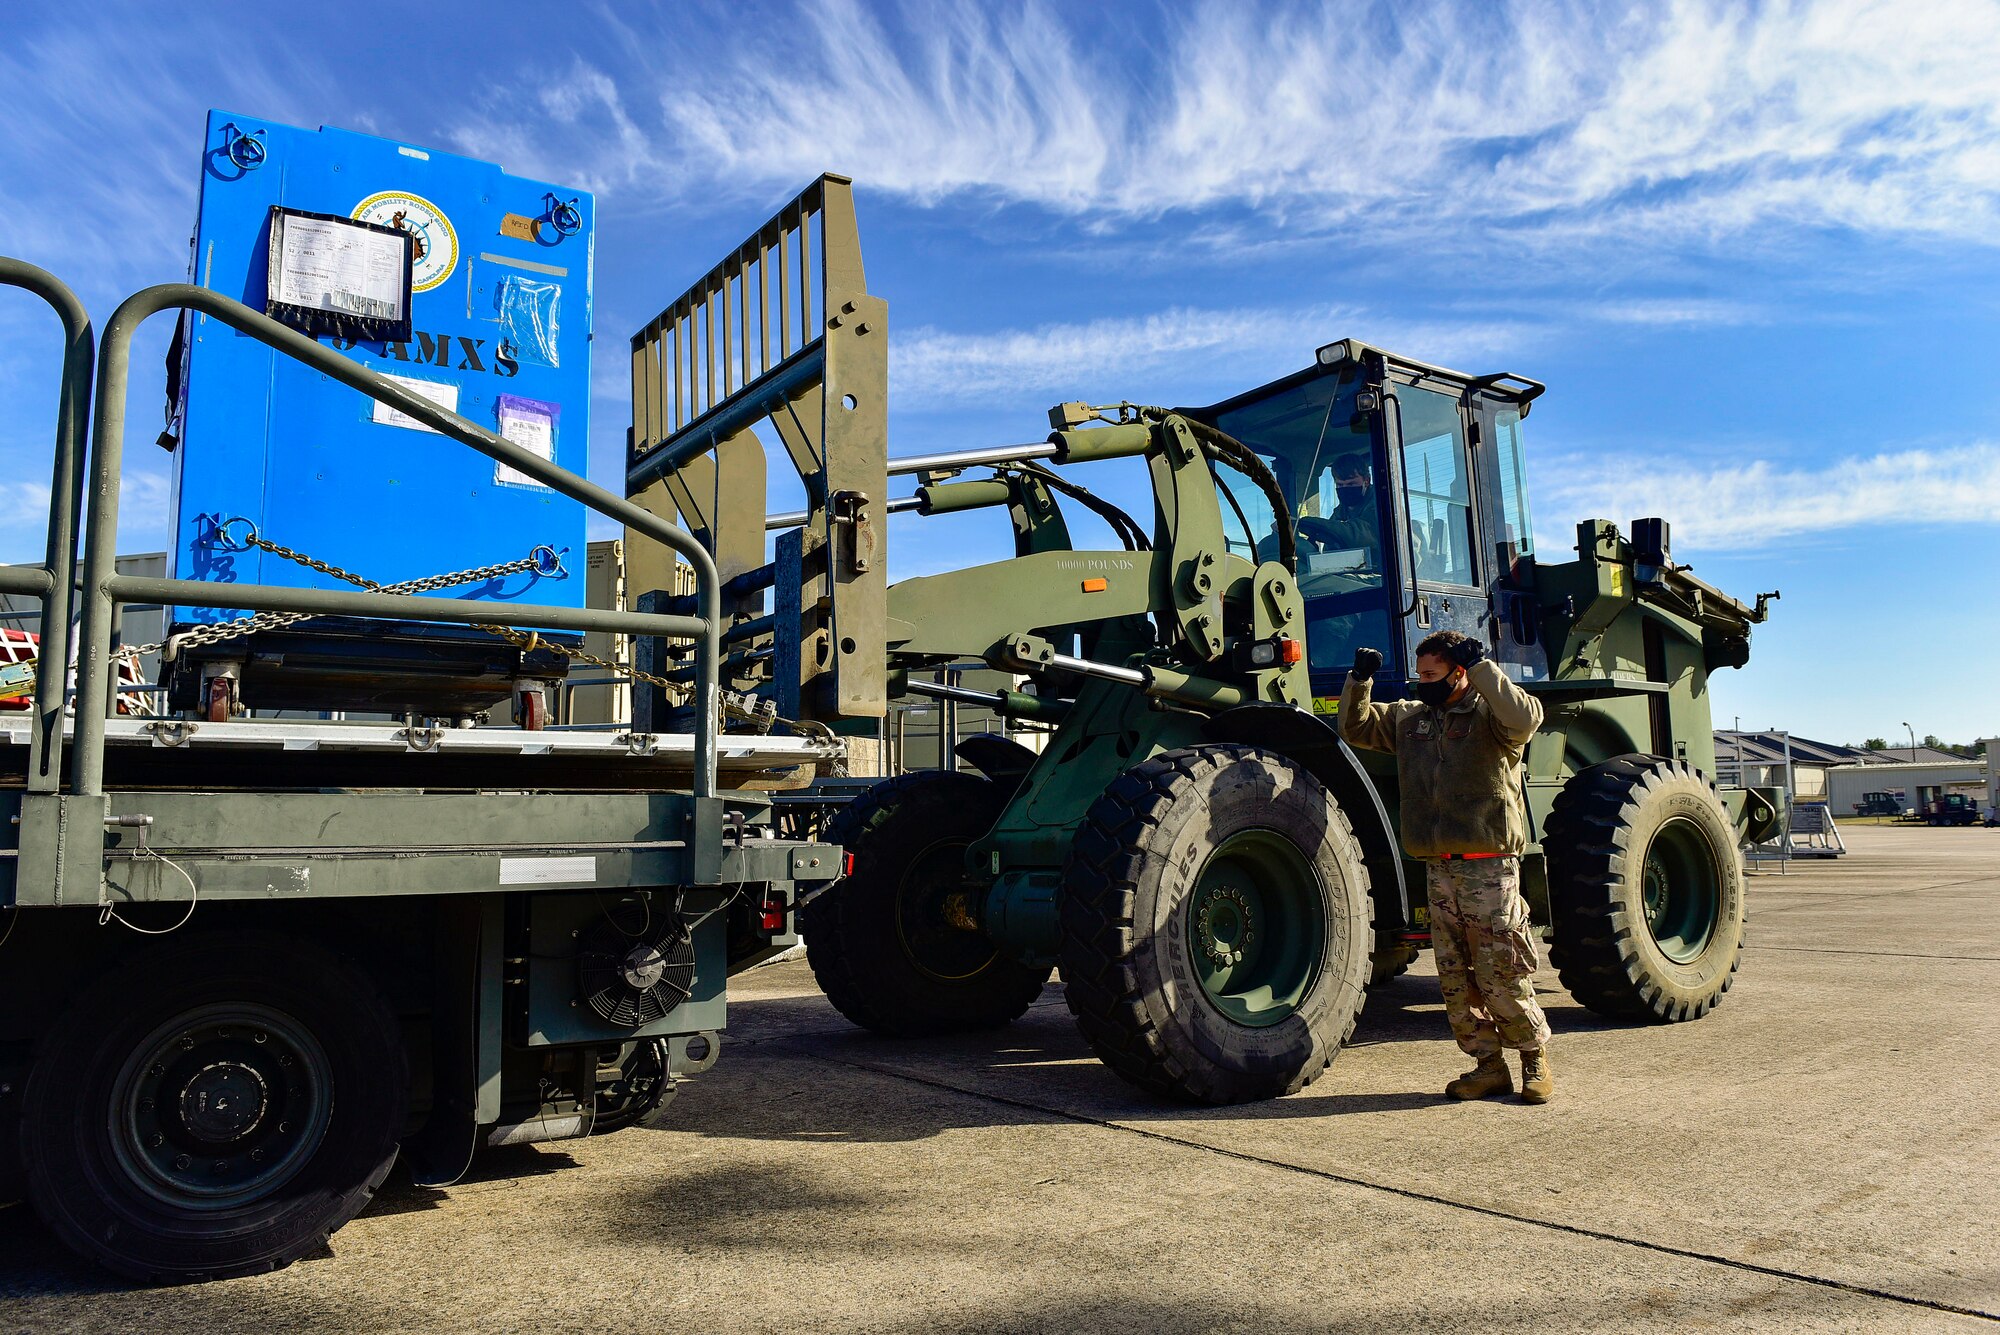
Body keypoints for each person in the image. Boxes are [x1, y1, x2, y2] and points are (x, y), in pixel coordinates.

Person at [1338, 630, 1554, 1104]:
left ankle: (1533, 1061)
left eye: (1432, 674)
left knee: (1502, 969)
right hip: (1439, 870)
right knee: (1455, 978)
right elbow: (1355, 728)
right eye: (1420, 674)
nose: (1423, 682)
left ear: (1459, 672)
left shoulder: (1491, 716)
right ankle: (1488, 1067)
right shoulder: (1411, 719)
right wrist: (1359, 680)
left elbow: (1526, 716)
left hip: (1488, 868)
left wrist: (1482, 667)